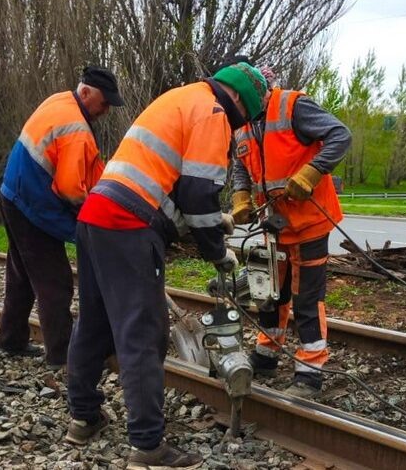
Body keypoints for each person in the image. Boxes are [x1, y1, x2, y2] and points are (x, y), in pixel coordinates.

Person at [64, 63, 267, 469]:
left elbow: (170, 181)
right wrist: (217, 251)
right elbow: (198, 194)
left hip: (96, 216)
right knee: (143, 334)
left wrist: (216, 220)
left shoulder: (182, 97)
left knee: (95, 323)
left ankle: (83, 419)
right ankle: (147, 446)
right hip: (128, 224)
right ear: (242, 105)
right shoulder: (213, 114)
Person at [231, 67, 351, 398]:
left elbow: (341, 135)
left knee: (306, 297)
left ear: (263, 90)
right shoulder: (242, 122)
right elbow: (241, 164)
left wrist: (312, 172)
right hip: (273, 223)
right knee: (269, 291)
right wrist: (240, 195)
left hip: (310, 221)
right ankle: (267, 352)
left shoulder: (294, 107)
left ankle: (310, 370)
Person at [0, 66, 124, 369]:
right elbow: (70, 190)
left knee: (22, 275)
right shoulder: (76, 129)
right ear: (87, 92)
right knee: (55, 282)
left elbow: (87, 172)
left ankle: (10, 340)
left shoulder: (60, 101)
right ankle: (63, 356)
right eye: (104, 103)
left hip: (13, 195)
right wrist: (92, 220)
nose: (105, 111)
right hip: (32, 206)